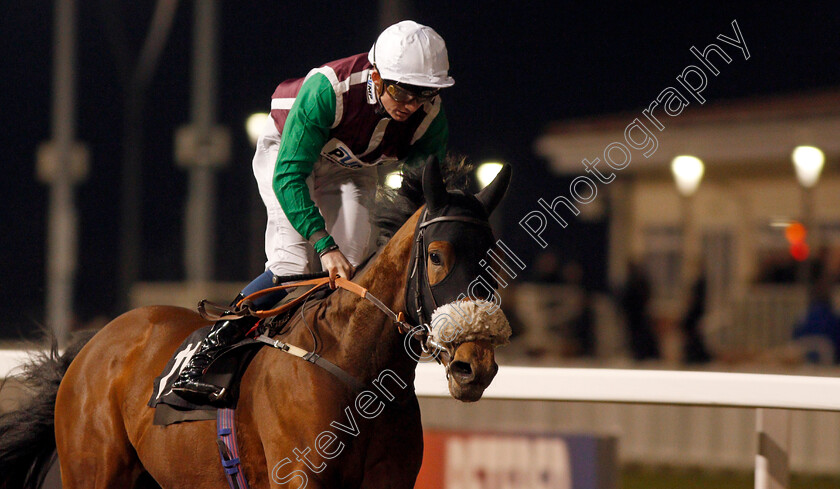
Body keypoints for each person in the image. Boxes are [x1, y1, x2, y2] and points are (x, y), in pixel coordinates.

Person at [172, 21, 455, 402]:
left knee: (353, 273)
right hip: (286, 156)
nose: (411, 104)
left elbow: (423, 194)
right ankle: (201, 355)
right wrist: (323, 243)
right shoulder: (327, 89)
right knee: (292, 265)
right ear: (375, 75)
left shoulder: (429, 118)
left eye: (425, 92)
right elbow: (289, 176)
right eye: (401, 90)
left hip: (352, 168)